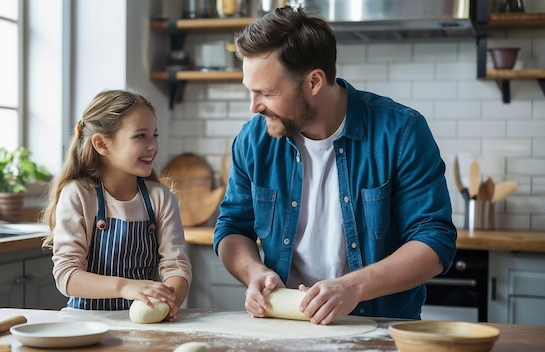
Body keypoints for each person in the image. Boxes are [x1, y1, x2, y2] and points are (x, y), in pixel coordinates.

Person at [213, 5, 457, 325]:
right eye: (251, 91)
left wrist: (353, 287)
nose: (254, 106)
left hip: (381, 327)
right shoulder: (253, 140)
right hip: (286, 327)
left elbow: (434, 240)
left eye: (266, 93)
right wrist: (254, 272)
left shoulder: (401, 132)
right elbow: (232, 228)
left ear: (314, 81)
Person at [42, 90, 191, 321]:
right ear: (102, 144)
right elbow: (67, 276)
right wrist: (125, 287)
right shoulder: (79, 195)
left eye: (155, 135)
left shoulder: (161, 198)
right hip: (83, 321)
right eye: (141, 136)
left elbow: (177, 268)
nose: (154, 146)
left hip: (143, 324)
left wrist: (170, 300)